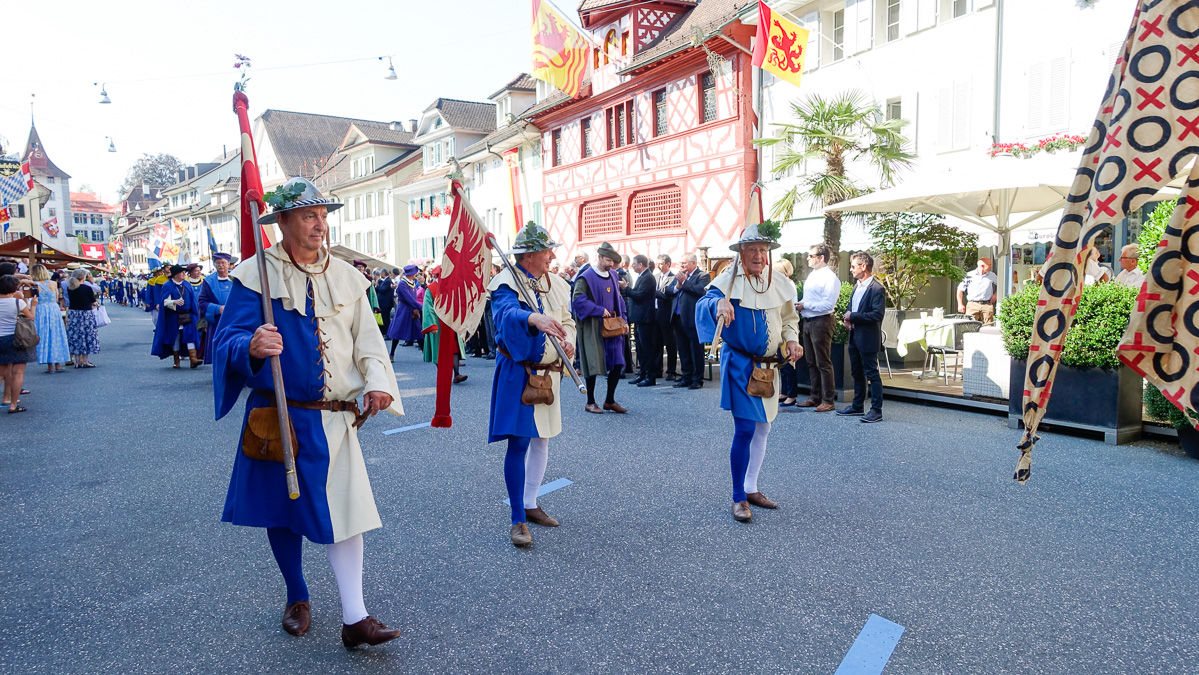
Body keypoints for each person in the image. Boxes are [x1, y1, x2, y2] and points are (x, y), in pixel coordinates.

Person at [212, 177, 404, 648]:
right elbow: (225, 342)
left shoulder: (348, 275)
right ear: (282, 221)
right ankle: (297, 595)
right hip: (278, 414)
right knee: (283, 512)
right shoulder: (253, 275)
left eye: (323, 215)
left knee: (349, 511)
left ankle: (355, 618)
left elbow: (369, 342)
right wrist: (251, 346)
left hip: (335, 417)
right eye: (308, 216)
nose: (320, 225)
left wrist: (378, 383)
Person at [696, 224, 801, 522]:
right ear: (741, 253)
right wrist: (717, 302)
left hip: (770, 367)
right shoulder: (727, 282)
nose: (758, 255)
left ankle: (751, 487)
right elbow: (701, 305)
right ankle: (738, 497)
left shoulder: (778, 281)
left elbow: (790, 319)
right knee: (745, 429)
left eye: (763, 250)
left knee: (764, 427)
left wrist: (792, 339)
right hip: (741, 366)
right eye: (752, 249)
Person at [488, 223, 576, 547]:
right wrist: (532, 319)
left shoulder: (557, 284)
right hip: (519, 372)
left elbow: (568, 321)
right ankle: (517, 519)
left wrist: (571, 343)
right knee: (520, 443)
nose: (552, 255)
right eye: (547, 250)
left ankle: (531, 502)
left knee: (543, 440)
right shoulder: (505, 284)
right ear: (530, 255)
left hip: (550, 373)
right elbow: (506, 314)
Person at [572, 242, 629, 414]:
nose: (611, 264)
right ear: (599, 257)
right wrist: (598, 310)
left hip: (613, 326)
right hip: (593, 327)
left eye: (613, 261)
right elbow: (578, 300)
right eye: (608, 260)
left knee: (618, 362)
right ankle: (590, 402)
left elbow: (618, 300)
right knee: (592, 362)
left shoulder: (612, 274)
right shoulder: (586, 276)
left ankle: (609, 400)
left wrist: (624, 319)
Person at [838, 252, 886, 423]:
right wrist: (847, 318)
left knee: (872, 374)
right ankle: (857, 406)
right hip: (854, 336)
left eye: (853, 266)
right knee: (856, 372)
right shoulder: (857, 286)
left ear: (863, 266)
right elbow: (852, 308)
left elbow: (876, 315)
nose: (851, 270)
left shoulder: (877, 289)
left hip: (868, 338)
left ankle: (876, 410)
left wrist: (853, 317)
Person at [796, 244, 842, 411]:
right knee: (811, 361)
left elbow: (828, 304)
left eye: (811, 255)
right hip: (809, 320)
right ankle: (815, 396)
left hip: (822, 321)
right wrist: (803, 305)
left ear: (821, 257)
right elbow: (812, 299)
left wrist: (804, 305)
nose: (808, 258)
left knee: (823, 362)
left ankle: (828, 399)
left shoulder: (829, 278)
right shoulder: (813, 275)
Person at [665, 252, 710, 390]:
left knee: (695, 350)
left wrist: (684, 282)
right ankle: (686, 376)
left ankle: (697, 379)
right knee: (683, 349)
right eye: (680, 263)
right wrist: (677, 286)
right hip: (678, 317)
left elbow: (701, 291)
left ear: (693, 263)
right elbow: (668, 290)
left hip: (692, 318)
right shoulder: (677, 276)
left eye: (684, 263)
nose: (681, 265)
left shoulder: (702, 276)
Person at [420, 266, 467, 384]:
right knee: (438, 350)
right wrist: (432, 325)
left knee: (454, 348)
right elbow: (427, 308)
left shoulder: (452, 287)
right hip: (438, 324)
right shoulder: (430, 289)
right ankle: (444, 374)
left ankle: (456, 374)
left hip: (451, 323)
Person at [151, 265, 202, 369]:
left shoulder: (187, 284)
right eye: (182, 272)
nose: (184, 274)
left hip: (188, 314)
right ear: (175, 274)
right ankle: (176, 360)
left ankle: (193, 359)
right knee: (176, 337)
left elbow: (192, 300)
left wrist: (196, 314)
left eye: (184, 272)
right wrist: (174, 302)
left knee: (190, 335)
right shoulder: (167, 285)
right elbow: (164, 301)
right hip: (174, 316)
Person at [0, 274, 36, 413]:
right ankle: (13, 404)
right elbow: (30, 318)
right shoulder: (17, 302)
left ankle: (6, 399)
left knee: (1, 372)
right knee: (18, 373)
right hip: (16, 338)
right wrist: (33, 305)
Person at [624, 254, 659, 387]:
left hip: (646, 318)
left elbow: (639, 295)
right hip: (640, 318)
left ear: (641, 264)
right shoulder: (642, 276)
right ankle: (643, 374)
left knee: (647, 348)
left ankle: (650, 376)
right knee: (640, 348)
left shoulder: (648, 277)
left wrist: (625, 289)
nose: (632, 266)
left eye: (634, 263)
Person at [29, 265, 69, 374]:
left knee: (44, 335)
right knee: (56, 334)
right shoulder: (53, 283)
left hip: (40, 309)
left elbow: (32, 299)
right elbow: (56, 298)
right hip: (53, 309)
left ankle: (49, 365)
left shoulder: (33, 285)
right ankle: (58, 364)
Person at [198, 253, 234, 364]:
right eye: (218, 263)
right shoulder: (208, 281)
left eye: (223, 262)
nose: (220, 265)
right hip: (217, 321)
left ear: (228, 264)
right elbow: (202, 301)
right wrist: (218, 308)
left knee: (233, 345)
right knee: (218, 346)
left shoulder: (236, 278)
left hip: (234, 319)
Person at [65, 269, 100, 369]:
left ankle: (77, 362)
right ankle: (85, 360)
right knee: (87, 335)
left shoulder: (70, 288)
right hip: (85, 314)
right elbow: (93, 301)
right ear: (83, 277)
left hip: (73, 314)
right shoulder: (86, 288)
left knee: (75, 336)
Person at [653, 255, 679, 381]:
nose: (658, 266)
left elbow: (670, 295)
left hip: (667, 315)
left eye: (661, 263)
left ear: (668, 264)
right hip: (655, 314)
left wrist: (657, 294)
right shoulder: (656, 277)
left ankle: (671, 371)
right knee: (657, 344)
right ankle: (658, 370)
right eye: (657, 263)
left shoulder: (673, 278)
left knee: (670, 345)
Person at [386, 265, 422, 356]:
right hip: (404, 309)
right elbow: (408, 298)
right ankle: (392, 354)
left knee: (418, 330)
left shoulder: (412, 282)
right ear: (411, 274)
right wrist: (421, 306)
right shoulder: (403, 283)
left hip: (412, 309)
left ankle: (425, 354)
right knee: (397, 331)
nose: (416, 274)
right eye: (415, 273)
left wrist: (417, 307)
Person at [956, 257, 998, 323]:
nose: (991, 266)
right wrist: (960, 304)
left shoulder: (992, 275)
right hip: (972, 304)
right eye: (989, 264)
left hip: (987, 305)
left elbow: (1000, 284)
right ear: (982, 266)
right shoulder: (969, 275)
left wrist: (996, 295)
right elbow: (960, 289)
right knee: (969, 325)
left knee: (988, 326)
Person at [186, 264, 208, 361]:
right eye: (196, 271)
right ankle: (191, 352)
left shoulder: (204, 280)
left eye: (199, 270)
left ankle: (201, 352)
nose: (198, 273)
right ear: (190, 272)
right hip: (190, 309)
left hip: (202, 308)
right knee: (191, 330)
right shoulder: (186, 282)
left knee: (202, 329)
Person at [375, 267, 395, 337]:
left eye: (381, 273)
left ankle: (388, 334)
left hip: (386, 304)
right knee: (385, 319)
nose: (380, 274)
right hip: (384, 304)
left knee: (386, 319)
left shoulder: (388, 281)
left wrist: (376, 287)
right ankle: (387, 333)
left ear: (383, 273)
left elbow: (383, 290)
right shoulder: (385, 281)